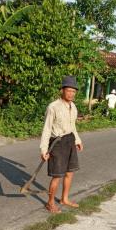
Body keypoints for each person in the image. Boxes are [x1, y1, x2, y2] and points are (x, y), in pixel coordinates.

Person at [40, 75, 84, 213]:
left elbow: (72, 126)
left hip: (70, 140)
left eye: (73, 91)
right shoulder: (53, 107)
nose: (71, 94)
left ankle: (64, 198)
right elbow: (47, 128)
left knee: (70, 173)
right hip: (57, 143)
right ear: (62, 90)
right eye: (69, 90)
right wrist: (43, 149)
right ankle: (50, 202)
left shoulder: (73, 106)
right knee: (57, 175)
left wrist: (77, 140)